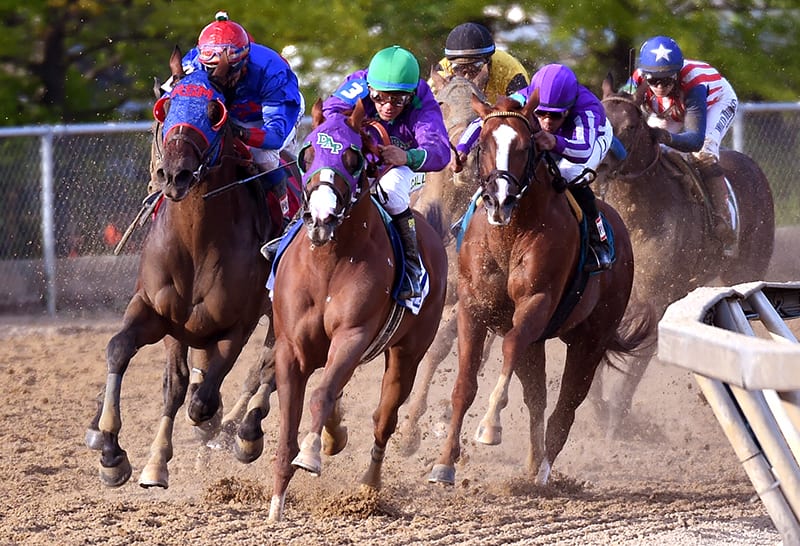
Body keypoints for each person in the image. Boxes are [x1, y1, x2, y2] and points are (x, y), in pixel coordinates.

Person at [454, 63, 614, 272]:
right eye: (541, 113)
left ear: (569, 108)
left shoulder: (588, 108)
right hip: (553, 140)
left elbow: (583, 149)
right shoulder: (525, 96)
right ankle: (466, 219)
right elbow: (485, 119)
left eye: (555, 116)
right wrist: (462, 148)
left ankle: (597, 239)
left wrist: (555, 142)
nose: (547, 121)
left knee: (569, 175)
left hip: (590, 141)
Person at [323, 45, 451, 299]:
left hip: (401, 166)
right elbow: (330, 112)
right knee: (325, 180)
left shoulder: (423, 100)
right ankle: (288, 237)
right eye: (380, 97)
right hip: (360, 156)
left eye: (398, 99)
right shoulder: (358, 84)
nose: (388, 106)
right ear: (369, 87)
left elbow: (440, 151)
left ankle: (412, 267)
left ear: (411, 94)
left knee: (391, 192)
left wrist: (408, 156)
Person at [179, 11, 305, 219]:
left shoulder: (272, 71)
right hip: (230, 114)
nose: (221, 77)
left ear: (245, 61)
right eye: (211, 70)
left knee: (262, 156)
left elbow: (274, 136)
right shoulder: (192, 63)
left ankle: (287, 216)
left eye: (231, 70)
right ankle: (157, 196)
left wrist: (241, 134)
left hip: (269, 116)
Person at [622, 35, 738, 247]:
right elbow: (621, 108)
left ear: (677, 73)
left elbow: (694, 140)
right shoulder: (636, 78)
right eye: (653, 80)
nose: (659, 86)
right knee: (651, 149)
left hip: (715, 103)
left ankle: (723, 220)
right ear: (644, 76)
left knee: (704, 153)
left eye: (666, 79)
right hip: (672, 108)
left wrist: (665, 136)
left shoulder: (694, 83)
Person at [432, 22, 529, 105]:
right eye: (458, 68)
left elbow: (523, 114)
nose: (466, 77)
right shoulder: (443, 70)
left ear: (488, 61)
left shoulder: (511, 74)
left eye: (474, 67)